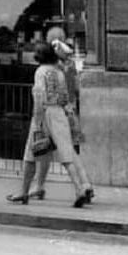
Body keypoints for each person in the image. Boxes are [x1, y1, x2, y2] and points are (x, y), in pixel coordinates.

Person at [6, 41, 92, 207]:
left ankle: (24, 191)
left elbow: (39, 97)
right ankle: (78, 188)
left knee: (30, 154)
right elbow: (65, 96)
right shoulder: (58, 72)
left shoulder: (40, 72)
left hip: (45, 113)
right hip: (59, 112)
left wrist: (37, 122)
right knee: (67, 154)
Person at [30, 29, 93, 201]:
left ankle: (41, 186)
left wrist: (38, 119)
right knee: (66, 150)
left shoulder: (47, 70)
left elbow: (40, 95)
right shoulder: (68, 65)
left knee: (48, 150)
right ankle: (81, 184)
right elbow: (74, 89)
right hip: (67, 109)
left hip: (50, 111)